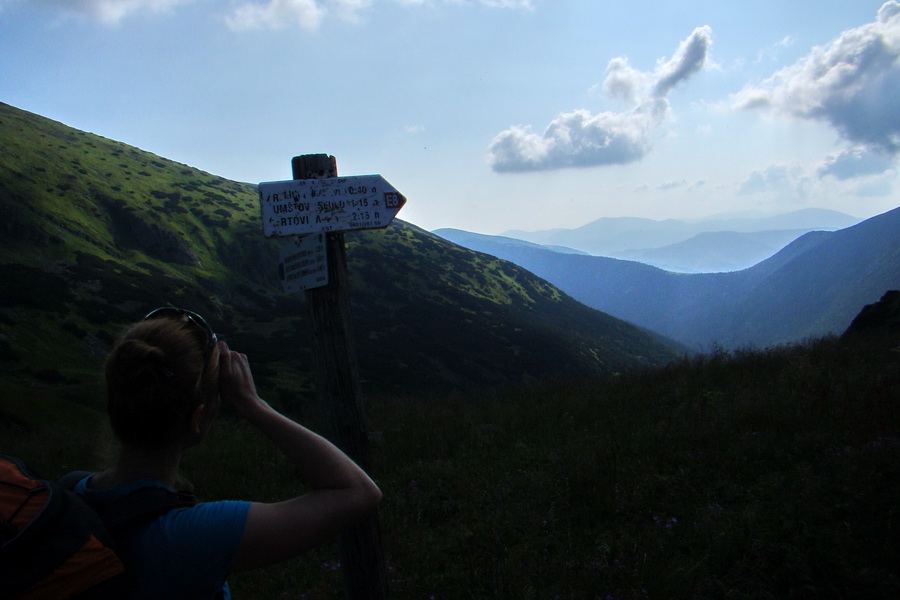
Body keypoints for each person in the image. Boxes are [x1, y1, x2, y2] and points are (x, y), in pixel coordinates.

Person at [72, 307, 382, 599]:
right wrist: (252, 404)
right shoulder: (193, 536)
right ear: (196, 420)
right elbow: (357, 491)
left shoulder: (70, 493)